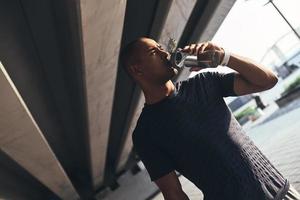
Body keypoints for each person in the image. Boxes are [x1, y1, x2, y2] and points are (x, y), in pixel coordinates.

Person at [120, 37, 300, 200]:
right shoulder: (145, 133)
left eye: (161, 47)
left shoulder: (204, 83)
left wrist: (224, 57)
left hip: (281, 191)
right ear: (137, 69)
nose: (164, 53)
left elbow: (268, 80)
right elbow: (173, 193)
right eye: (154, 52)